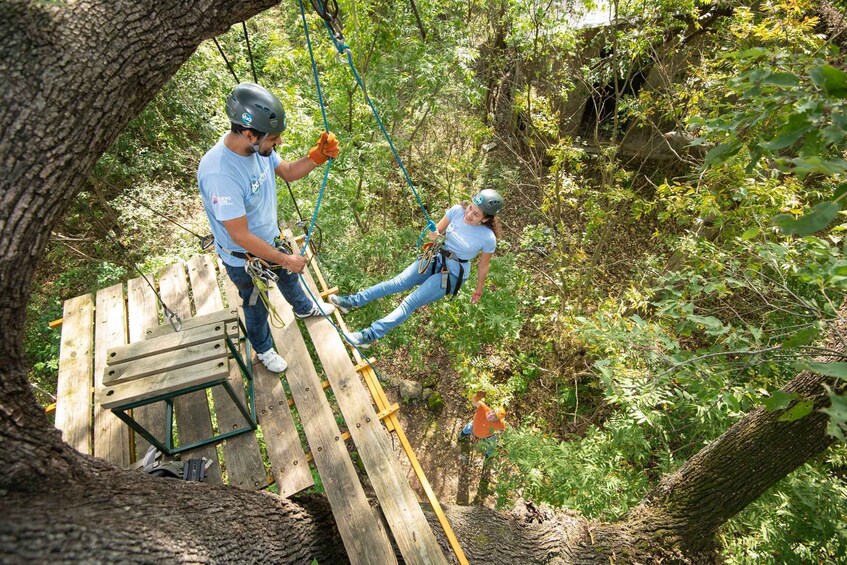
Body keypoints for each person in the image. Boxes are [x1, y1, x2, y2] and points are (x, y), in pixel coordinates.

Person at [198, 82, 339, 373]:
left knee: (289, 278)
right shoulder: (220, 174)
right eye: (273, 139)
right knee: (255, 303)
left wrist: (317, 157)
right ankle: (263, 349)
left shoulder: (257, 150)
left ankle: (303, 308)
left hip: (270, 239)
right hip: (244, 257)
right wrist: (286, 258)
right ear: (249, 134)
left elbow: (287, 172)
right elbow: (240, 235)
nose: (278, 144)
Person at [332, 189, 504, 347]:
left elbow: (483, 266)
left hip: (451, 274)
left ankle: (368, 336)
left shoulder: (487, 237)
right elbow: (437, 231)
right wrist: (434, 235)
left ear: (486, 218)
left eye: (476, 214)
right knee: (394, 283)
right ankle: (351, 302)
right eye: (470, 207)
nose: (468, 214)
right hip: (436, 258)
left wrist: (478, 290)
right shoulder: (456, 211)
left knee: (410, 302)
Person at [458, 391, 507, 459]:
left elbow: (504, 427)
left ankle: (488, 456)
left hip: (487, 435)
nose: (490, 415)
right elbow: (474, 401)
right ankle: (461, 437)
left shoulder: (499, 424)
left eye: (495, 416)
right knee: (467, 428)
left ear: (497, 420)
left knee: (492, 444)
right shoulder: (483, 408)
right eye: (492, 412)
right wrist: (478, 396)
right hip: (474, 426)